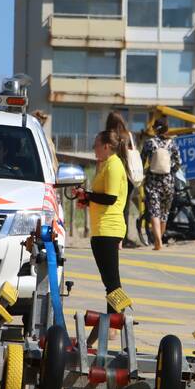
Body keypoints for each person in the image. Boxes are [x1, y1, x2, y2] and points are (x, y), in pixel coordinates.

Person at [75, 130, 130, 322]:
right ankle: (118, 317)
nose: (94, 149)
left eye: (96, 145)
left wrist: (88, 195)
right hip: (100, 229)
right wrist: (87, 199)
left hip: (109, 228)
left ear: (106, 146)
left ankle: (118, 320)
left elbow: (110, 198)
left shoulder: (114, 165)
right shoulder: (105, 164)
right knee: (109, 281)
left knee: (112, 281)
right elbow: (103, 197)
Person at [140, 118, 181, 250]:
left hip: (152, 180)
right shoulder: (172, 144)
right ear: (167, 129)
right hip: (168, 181)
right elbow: (178, 163)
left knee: (154, 211)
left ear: (154, 129)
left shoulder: (148, 143)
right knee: (164, 212)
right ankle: (159, 240)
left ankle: (157, 241)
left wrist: (146, 170)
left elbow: (141, 161)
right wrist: (170, 171)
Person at [105, 111, 140, 249]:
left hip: (113, 174)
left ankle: (112, 236)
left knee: (112, 207)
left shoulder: (108, 136)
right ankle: (124, 238)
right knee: (125, 208)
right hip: (129, 176)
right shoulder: (129, 135)